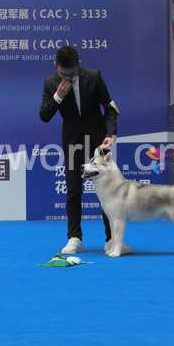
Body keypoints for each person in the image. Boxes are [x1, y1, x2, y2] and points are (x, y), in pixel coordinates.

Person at [40, 44, 118, 255]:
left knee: (108, 189)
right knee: (73, 190)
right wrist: (58, 96)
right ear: (55, 65)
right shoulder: (50, 83)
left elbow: (109, 106)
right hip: (73, 140)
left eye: (72, 73)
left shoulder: (93, 76)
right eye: (63, 74)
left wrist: (110, 134)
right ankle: (75, 238)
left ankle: (111, 239)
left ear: (79, 64)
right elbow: (44, 116)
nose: (67, 77)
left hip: (99, 140)